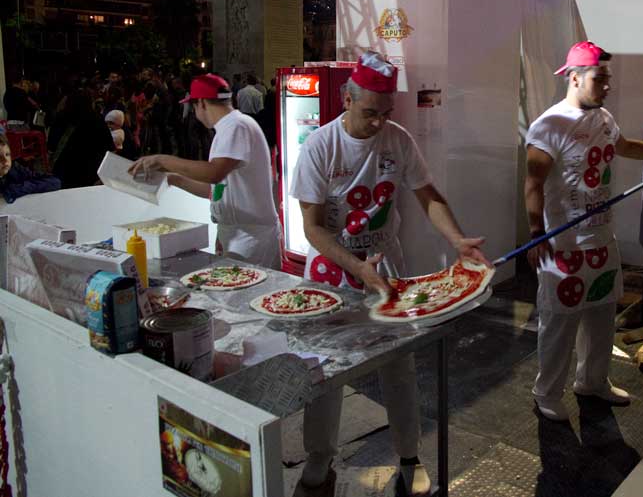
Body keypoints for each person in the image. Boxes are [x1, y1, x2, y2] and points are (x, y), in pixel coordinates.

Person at [289, 52, 490, 496]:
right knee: (325, 371)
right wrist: (357, 267)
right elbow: (313, 226)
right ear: (346, 98)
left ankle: (408, 456)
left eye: (386, 114)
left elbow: (428, 195)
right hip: (333, 272)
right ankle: (319, 462)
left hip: (386, 266)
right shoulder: (321, 146)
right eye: (369, 113)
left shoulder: (397, 140)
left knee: (399, 368)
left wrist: (457, 240)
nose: (379, 123)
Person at [524, 41, 643, 422]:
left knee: (601, 319)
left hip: (601, 240)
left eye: (607, 80)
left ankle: (593, 382)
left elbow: (625, 146)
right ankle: (547, 393)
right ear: (575, 78)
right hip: (564, 245)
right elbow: (533, 183)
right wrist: (536, 233)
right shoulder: (549, 125)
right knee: (559, 325)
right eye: (600, 79)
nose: (607, 87)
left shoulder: (603, 118)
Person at [129, 74, 280, 268]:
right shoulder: (227, 128)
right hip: (237, 233)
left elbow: (213, 173)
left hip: (252, 237)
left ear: (200, 103)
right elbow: (215, 189)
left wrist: (163, 160)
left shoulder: (237, 125)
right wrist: (174, 179)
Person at [48, 91, 115, 189]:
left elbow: (51, 146)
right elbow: (110, 149)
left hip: (62, 172)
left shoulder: (61, 117)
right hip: (89, 174)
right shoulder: (97, 120)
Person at [0, 134, 60, 203]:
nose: (6, 161)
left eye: (7, 154)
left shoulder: (15, 169)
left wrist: (22, 188)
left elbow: (55, 182)